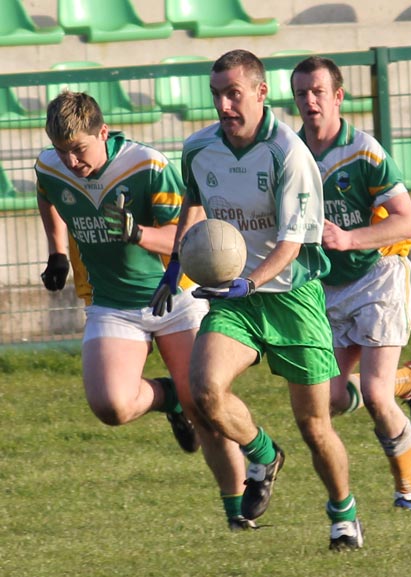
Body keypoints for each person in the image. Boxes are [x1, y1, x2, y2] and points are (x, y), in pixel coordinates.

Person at [151, 49, 363, 551]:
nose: (224, 104)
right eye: (217, 94)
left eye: (234, 93)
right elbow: (194, 201)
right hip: (235, 300)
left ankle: (343, 515)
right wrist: (176, 267)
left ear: (260, 93)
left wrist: (252, 280)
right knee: (203, 391)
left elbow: (292, 243)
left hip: (292, 297)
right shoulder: (199, 147)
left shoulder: (288, 153)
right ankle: (263, 455)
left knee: (314, 425)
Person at [36, 90, 248, 530]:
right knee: (110, 406)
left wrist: (138, 235)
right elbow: (47, 193)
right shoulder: (51, 165)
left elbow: (190, 241)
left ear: (104, 132)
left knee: (207, 410)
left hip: (175, 298)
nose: (72, 161)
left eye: (79, 149)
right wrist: (57, 251)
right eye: (63, 152)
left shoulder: (147, 166)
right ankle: (171, 397)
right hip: (112, 305)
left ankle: (238, 515)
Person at [290, 55, 411, 510]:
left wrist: (351, 237)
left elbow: (408, 222)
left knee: (373, 395)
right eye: (301, 93)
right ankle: (410, 381)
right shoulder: (291, 155)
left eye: (318, 92)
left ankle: (408, 491)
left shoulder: (365, 152)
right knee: (331, 397)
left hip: (379, 276)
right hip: (328, 288)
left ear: (337, 97)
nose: (310, 101)